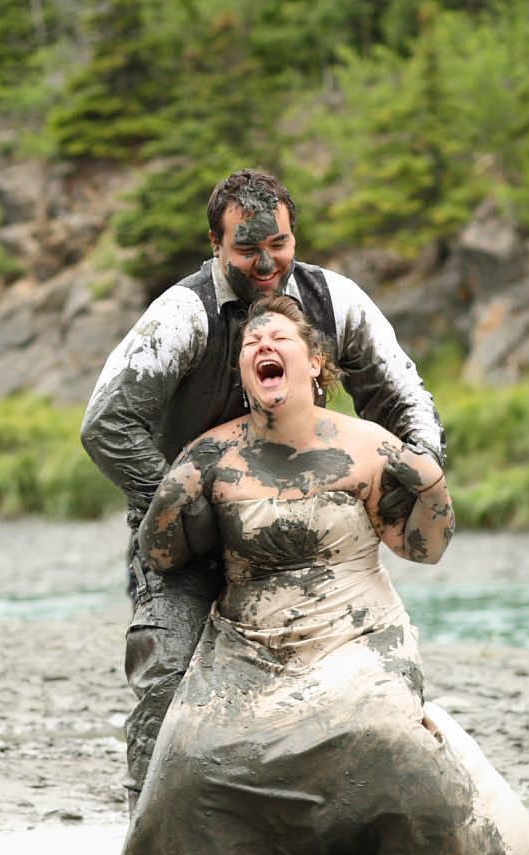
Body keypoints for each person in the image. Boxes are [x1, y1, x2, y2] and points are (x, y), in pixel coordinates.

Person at [109, 295, 529, 855]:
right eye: (248, 345)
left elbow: (423, 550)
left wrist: (431, 484)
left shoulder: (370, 446)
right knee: (193, 764)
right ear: (242, 373)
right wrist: (174, 502)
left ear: (315, 361)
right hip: (247, 646)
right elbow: (161, 554)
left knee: (373, 736)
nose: (262, 349)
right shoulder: (209, 456)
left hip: (356, 634)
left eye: (278, 341)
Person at [81, 169, 446, 811]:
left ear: (292, 234)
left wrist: (414, 481)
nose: (264, 260)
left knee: (347, 681)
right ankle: (148, 828)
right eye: (246, 249)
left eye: (276, 243)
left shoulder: (337, 303)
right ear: (216, 246)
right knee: (168, 673)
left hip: (306, 529)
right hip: (188, 535)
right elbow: (105, 423)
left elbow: (401, 395)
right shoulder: (182, 315)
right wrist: (184, 502)